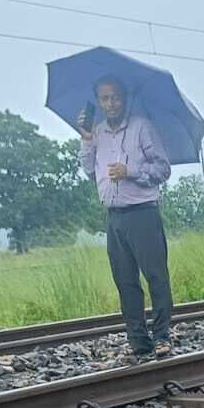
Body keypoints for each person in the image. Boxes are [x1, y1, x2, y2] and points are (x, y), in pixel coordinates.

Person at [79, 75, 174, 359]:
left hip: (143, 212)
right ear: (98, 101)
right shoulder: (96, 133)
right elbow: (88, 169)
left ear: (124, 98)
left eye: (115, 97)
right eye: (105, 98)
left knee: (156, 276)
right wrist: (85, 140)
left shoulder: (142, 128)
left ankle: (162, 336)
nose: (110, 103)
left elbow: (163, 169)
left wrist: (130, 171)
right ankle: (138, 341)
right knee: (125, 280)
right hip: (114, 216)